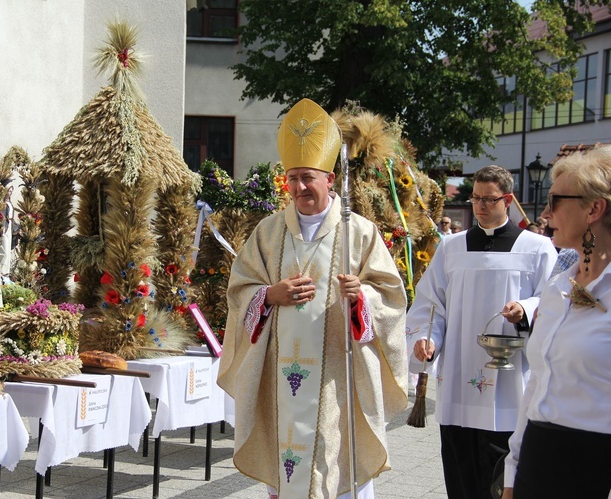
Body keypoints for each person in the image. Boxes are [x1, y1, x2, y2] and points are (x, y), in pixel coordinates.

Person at [218, 98, 409, 499]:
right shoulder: (269, 234)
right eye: (292, 178)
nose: (300, 187)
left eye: (308, 177)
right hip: (279, 376)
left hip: (338, 377)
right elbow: (240, 291)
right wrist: (269, 295)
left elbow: (391, 297)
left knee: (336, 461)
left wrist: (361, 298)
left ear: (330, 178)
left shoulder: (359, 232)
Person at [406, 165, 557, 499]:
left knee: (501, 475)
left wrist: (525, 310)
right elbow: (431, 304)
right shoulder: (451, 247)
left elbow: (553, 300)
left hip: (510, 383)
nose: (480, 206)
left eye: (489, 199)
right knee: (460, 471)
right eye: (475, 198)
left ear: (507, 199)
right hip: (459, 379)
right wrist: (426, 339)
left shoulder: (537, 247)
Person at [502, 146, 611, 499]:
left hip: (595, 464)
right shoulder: (558, 286)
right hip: (539, 456)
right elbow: (537, 382)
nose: (546, 212)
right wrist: (511, 472)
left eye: (555, 200)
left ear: (594, 209)